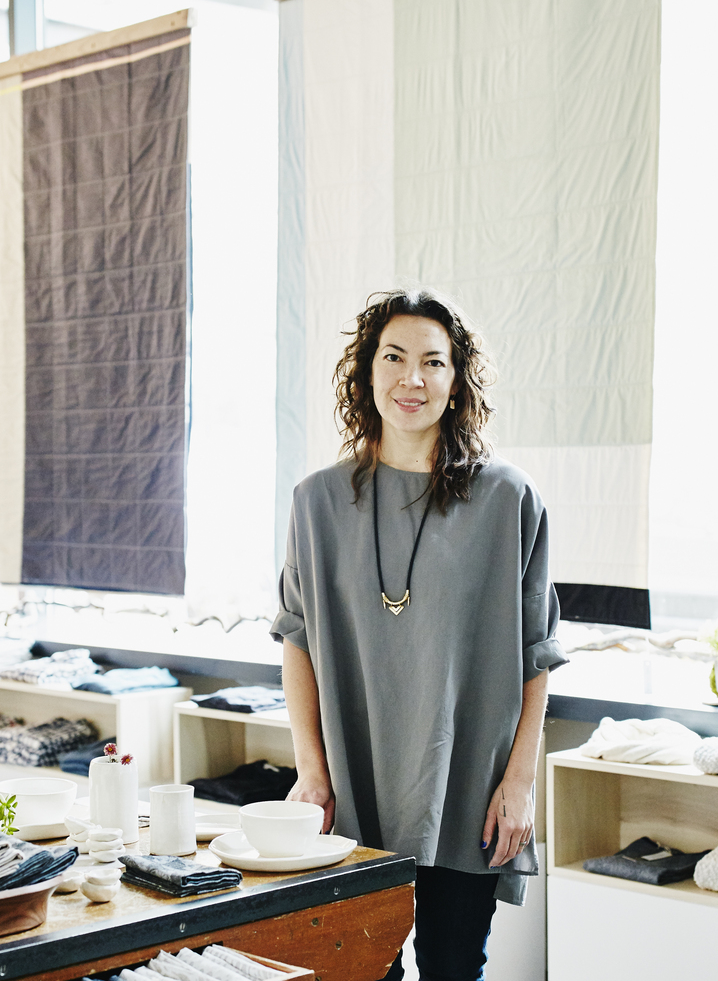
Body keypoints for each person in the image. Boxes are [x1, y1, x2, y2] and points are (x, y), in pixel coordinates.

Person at [272, 288, 565, 981]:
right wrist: (312, 773)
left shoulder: (507, 499)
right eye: (395, 358)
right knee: (361, 971)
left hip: (465, 789)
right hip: (354, 786)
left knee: (453, 967)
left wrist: (519, 783)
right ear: (365, 374)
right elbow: (297, 642)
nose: (413, 379)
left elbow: (537, 655)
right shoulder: (316, 502)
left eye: (434, 362)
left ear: (456, 381)